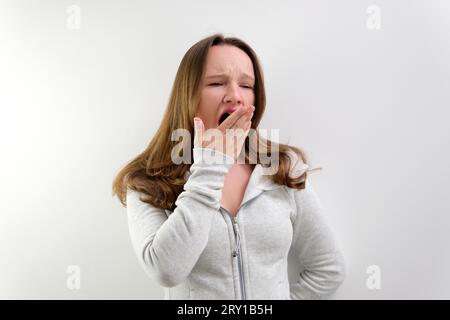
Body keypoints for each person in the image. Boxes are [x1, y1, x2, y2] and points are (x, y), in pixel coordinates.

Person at [112, 33, 346, 300]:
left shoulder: (282, 168)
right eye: (216, 83)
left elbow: (328, 268)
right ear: (188, 94)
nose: (235, 96)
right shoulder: (146, 179)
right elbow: (166, 271)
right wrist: (211, 165)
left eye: (246, 85)